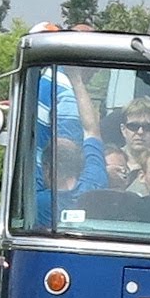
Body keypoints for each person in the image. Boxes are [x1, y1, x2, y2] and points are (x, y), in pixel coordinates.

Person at [35, 67, 107, 226]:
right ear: (81, 164)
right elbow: (91, 130)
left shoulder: (35, 203)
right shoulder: (95, 185)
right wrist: (77, 80)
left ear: (47, 169)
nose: (95, 72)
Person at [115, 97, 150, 177]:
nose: (140, 132)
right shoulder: (109, 161)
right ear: (123, 129)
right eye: (133, 126)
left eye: (147, 127)